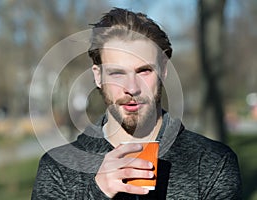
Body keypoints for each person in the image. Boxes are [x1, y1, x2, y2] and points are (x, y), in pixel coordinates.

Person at [31, 8, 242, 199]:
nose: (131, 88)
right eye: (117, 73)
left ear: (164, 70)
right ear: (98, 77)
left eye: (144, 71)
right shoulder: (57, 169)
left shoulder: (212, 164)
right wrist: (97, 193)